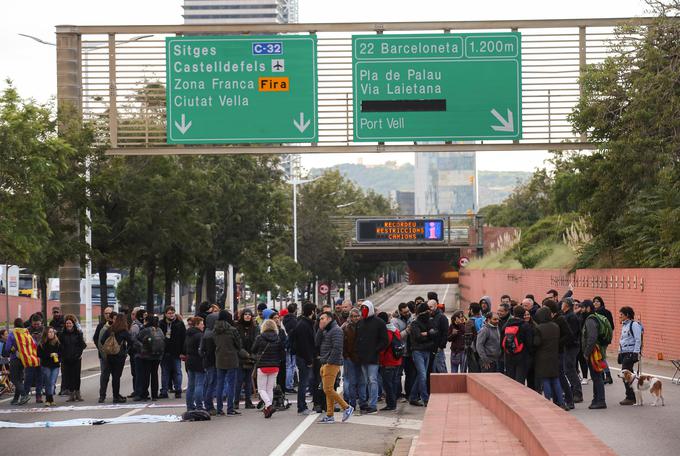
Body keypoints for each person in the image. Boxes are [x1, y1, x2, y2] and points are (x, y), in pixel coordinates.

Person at [316, 311, 354, 424]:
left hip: (331, 363)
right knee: (328, 390)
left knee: (327, 389)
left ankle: (347, 407)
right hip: (326, 362)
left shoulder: (336, 330)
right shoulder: (326, 330)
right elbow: (317, 343)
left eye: (322, 318)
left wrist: (329, 362)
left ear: (329, 319)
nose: (320, 320)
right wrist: (320, 329)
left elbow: (337, 348)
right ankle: (329, 415)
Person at [355, 300, 388, 414]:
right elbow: (357, 339)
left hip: (373, 357)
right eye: (362, 309)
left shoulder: (379, 322)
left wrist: (376, 350)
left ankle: (373, 404)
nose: (363, 311)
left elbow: (385, 340)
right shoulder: (360, 323)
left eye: (365, 308)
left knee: (372, 380)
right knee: (366, 381)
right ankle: (368, 403)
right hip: (363, 357)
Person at [533, 307, 569, 411]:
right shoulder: (555, 326)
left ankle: (548, 402)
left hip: (542, 357)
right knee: (555, 380)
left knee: (546, 380)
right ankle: (561, 403)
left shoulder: (539, 328)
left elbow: (536, 343)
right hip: (554, 355)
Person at [544, 299, 575, 409]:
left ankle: (569, 400)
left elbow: (569, 335)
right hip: (552, 352)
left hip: (559, 352)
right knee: (555, 377)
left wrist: (556, 343)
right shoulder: (549, 319)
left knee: (561, 376)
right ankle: (557, 400)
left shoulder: (560, 319)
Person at [252, 319, 285, 418]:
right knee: (270, 389)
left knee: (261, 389)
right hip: (275, 366)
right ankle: (267, 409)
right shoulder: (278, 338)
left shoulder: (259, 338)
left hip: (262, 366)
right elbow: (282, 353)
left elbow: (253, 349)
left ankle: (269, 405)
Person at [211, 310, 241, 416]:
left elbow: (214, 343)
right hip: (232, 358)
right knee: (231, 384)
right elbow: (239, 344)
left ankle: (219, 409)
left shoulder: (215, 330)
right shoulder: (232, 330)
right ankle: (230, 408)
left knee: (220, 384)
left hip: (219, 358)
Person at [100, 313, 134, 403]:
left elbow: (102, 340)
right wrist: (125, 351)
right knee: (116, 377)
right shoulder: (124, 331)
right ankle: (116, 396)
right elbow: (131, 342)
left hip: (110, 356)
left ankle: (102, 396)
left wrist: (109, 348)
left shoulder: (110, 329)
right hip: (119, 356)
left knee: (106, 375)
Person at [290, 302, 316, 415]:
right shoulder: (304, 325)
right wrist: (309, 360)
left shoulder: (302, 323)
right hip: (304, 358)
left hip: (302, 357)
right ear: (311, 312)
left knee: (304, 382)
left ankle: (302, 406)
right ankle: (302, 407)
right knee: (303, 383)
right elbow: (305, 345)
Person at [581, 300, 607, 409]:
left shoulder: (590, 320)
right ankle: (596, 399)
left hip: (593, 353)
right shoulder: (593, 318)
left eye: (582, 307)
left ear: (587, 308)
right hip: (596, 351)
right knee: (596, 376)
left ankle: (600, 400)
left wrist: (586, 353)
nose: (581, 310)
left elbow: (592, 338)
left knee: (596, 377)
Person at [408, 303, 436, 406]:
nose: (428, 313)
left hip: (427, 351)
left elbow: (434, 334)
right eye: (426, 312)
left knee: (421, 375)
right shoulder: (415, 324)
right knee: (423, 375)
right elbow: (418, 337)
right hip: (418, 351)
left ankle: (413, 397)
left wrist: (427, 334)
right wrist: (429, 335)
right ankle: (425, 398)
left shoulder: (430, 322)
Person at [159, 306, 186, 399]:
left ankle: (178, 390)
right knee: (165, 372)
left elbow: (183, 338)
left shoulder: (179, 324)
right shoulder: (161, 324)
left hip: (176, 352)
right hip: (165, 352)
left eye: (172, 313)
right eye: (169, 313)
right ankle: (164, 391)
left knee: (177, 372)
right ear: (165, 314)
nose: (171, 315)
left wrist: (183, 352)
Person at [617, 306, 643, 406]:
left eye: (621, 315)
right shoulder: (624, 325)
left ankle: (630, 397)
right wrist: (619, 352)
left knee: (625, 375)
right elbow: (623, 340)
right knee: (630, 376)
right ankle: (634, 395)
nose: (620, 316)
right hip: (624, 352)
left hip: (630, 352)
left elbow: (638, 339)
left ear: (627, 315)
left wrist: (635, 353)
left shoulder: (634, 325)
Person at [135, 315, 164, 402]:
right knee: (155, 374)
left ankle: (144, 394)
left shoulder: (145, 330)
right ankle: (154, 395)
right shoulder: (159, 330)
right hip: (157, 355)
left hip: (146, 355)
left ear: (147, 321)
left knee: (146, 375)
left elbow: (137, 339)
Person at [377, 312, 402, 411]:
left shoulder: (387, 331)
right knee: (393, 382)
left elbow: (384, 347)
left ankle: (391, 404)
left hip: (388, 361)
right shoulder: (394, 329)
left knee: (388, 384)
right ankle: (392, 403)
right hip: (397, 360)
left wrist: (379, 357)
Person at [59, 314, 87, 402]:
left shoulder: (78, 333)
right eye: (67, 323)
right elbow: (60, 347)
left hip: (76, 359)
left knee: (76, 376)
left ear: (73, 324)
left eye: (70, 323)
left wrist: (78, 354)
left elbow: (82, 345)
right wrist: (63, 356)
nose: (68, 325)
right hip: (66, 359)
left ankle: (78, 393)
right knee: (69, 377)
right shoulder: (62, 334)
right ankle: (71, 394)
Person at [502, 306, 533, 384]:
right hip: (522, 357)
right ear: (523, 314)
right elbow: (529, 343)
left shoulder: (506, 325)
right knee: (520, 381)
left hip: (509, 356)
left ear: (513, 313)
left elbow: (501, 342)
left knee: (510, 381)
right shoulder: (525, 326)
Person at [234, 308, 258, 409]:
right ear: (242, 316)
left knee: (248, 380)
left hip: (251, 357)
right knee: (239, 380)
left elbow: (256, 342)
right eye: (245, 314)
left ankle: (248, 401)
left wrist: (252, 355)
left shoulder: (255, 328)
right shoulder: (237, 328)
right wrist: (244, 353)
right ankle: (236, 402)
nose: (247, 316)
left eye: (249, 314)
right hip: (240, 357)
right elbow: (237, 343)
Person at [561, 299, 583, 404]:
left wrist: (563, 341)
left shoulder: (571, 317)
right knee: (568, 369)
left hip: (571, 346)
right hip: (569, 346)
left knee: (569, 369)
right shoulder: (567, 316)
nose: (561, 305)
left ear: (567, 306)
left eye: (563, 304)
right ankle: (574, 392)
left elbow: (572, 334)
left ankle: (577, 393)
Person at [342, 308, 363, 410]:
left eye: (357, 316)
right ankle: (352, 403)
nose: (355, 318)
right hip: (350, 357)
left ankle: (361, 402)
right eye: (353, 316)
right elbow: (344, 343)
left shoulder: (363, 326)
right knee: (352, 381)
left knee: (361, 381)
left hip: (360, 357)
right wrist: (346, 355)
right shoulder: (346, 327)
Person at [391, 302, 414, 398]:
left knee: (410, 374)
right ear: (400, 312)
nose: (407, 313)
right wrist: (407, 331)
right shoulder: (395, 321)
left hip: (411, 351)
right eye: (405, 312)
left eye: (408, 311)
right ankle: (398, 394)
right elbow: (396, 336)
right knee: (398, 375)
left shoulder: (411, 318)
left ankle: (409, 393)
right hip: (401, 352)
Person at [184, 316, 205, 411]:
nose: (203, 326)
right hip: (198, 361)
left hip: (189, 360)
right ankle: (199, 405)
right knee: (199, 384)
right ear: (197, 324)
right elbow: (201, 350)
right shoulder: (200, 335)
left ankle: (190, 405)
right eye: (202, 324)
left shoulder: (188, 334)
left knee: (191, 385)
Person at [593, 296, 614, 384]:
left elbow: (611, 326)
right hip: (598, 339)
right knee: (599, 358)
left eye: (597, 301)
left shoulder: (605, 312)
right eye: (594, 302)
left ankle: (608, 375)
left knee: (601, 358)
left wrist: (605, 335)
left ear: (601, 302)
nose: (596, 303)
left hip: (602, 339)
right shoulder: (593, 312)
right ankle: (602, 375)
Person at [37, 327, 60, 407]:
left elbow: (61, 353)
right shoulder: (42, 344)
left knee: (52, 382)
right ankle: (48, 399)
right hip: (46, 365)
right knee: (47, 382)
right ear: (46, 333)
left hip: (55, 365)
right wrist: (49, 355)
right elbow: (39, 354)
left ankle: (50, 399)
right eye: (49, 332)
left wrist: (58, 355)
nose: (51, 333)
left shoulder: (57, 342)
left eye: (52, 332)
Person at [25, 315, 44, 403]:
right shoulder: (27, 330)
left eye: (38, 324)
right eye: (34, 324)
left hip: (40, 357)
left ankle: (38, 396)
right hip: (30, 357)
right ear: (31, 323)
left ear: (41, 322)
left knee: (39, 377)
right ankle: (24, 395)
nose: (36, 326)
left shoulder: (44, 330)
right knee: (28, 377)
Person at [428, 299, 449, 375]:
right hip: (430, 349)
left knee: (441, 369)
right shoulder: (429, 317)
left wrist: (441, 346)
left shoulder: (442, 317)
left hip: (438, 349)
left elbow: (445, 333)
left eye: (431, 307)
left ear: (436, 306)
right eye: (428, 307)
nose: (429, 309)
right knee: (433, 371)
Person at [282, 303, 298, 393]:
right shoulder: (294, 320)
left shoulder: (285, 319)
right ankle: (289, 385)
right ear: (295, 310)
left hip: (287, 344)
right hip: (292, 345)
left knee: (288, 365)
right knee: (291, 366)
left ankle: (288, 384)